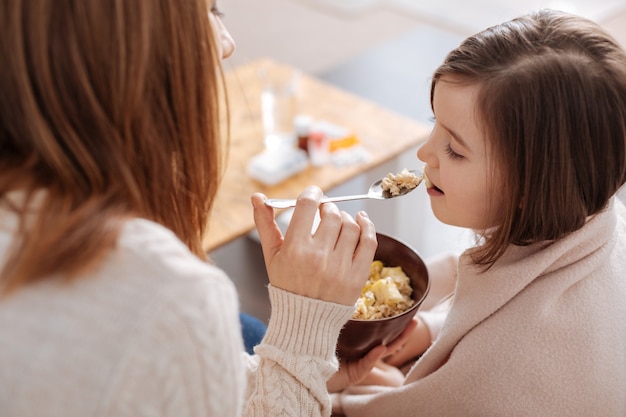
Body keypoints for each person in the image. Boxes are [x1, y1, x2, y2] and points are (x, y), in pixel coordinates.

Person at [0, 1, 389, 416]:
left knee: (245, 331)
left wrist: (299, 369)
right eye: (210, 12)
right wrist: (306, 331)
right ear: (132, 50)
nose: (227, 43)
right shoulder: (172, 295)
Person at [332, 9, 626, 416]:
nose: (424, 153)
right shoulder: (595, 212)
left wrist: (352, 395)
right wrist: (434, 329)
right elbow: (502, 284)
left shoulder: (510, 366)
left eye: (454, 149)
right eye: (434, 121)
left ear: (532, 186)